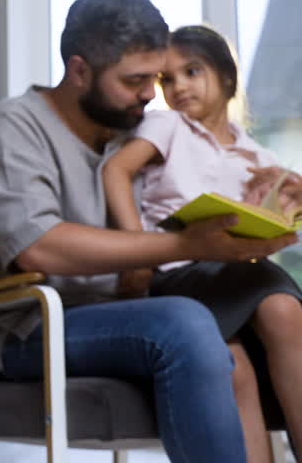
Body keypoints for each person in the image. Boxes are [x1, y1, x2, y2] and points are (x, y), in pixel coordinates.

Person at [0, 0, 298, 463]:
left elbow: (193, 192)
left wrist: (271, 196)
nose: (152, 93)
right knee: (186, 323)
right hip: (41, 323)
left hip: (142, 304)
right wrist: (183, 245)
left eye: (156, 77)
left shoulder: (135, 129)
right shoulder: (16, 124)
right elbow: (40, 247)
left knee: (271, 299)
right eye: (136, 80)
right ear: (80, 70)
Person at [102, 24, 302, 463]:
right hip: (178, 272)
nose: (178, 87)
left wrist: (290, 196)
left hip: (234, 275)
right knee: (236, 369)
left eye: (192, 72)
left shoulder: (256, 156)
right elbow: (116, 171)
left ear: (226, 80)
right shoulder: (168, 124)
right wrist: (136, 246)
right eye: (167, 79)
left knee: (284, 308)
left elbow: (277, 228)